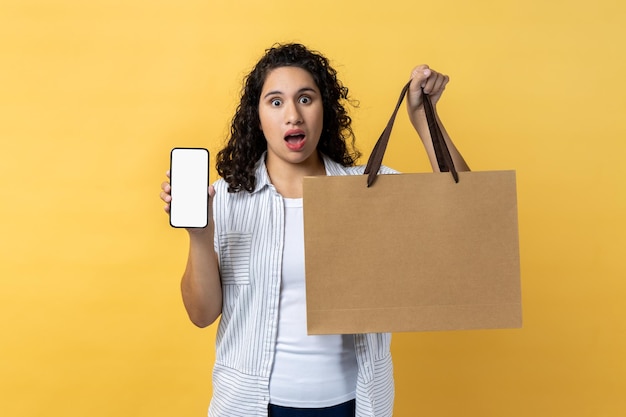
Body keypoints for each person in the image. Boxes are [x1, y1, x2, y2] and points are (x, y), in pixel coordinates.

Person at [160, 43, 469, 417]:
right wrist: (200, 234)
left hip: (355, 405)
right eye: (275, 102)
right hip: (251, 406)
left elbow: (465, 214)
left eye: (305, 99)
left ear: (325, 109)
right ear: (256, 118)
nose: (293, 115)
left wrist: (424, 117)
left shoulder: (370, 193)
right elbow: (201, 314)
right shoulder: (225, 198)